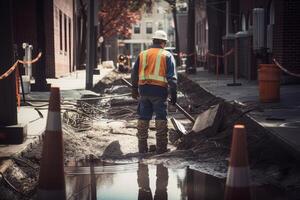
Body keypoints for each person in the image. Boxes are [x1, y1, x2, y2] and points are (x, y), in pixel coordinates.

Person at [131, 30, 177, 154]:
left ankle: (142, 149)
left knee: (143, 117)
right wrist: (174, 95)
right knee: (161, 118)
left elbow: (134, 74)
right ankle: (161, 149)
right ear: (163, 42)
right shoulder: (167, 55)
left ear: (153, 41)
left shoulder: (143, 54)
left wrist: (134, 90)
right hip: (159, 92)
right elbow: (172, 79)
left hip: (144, 91)